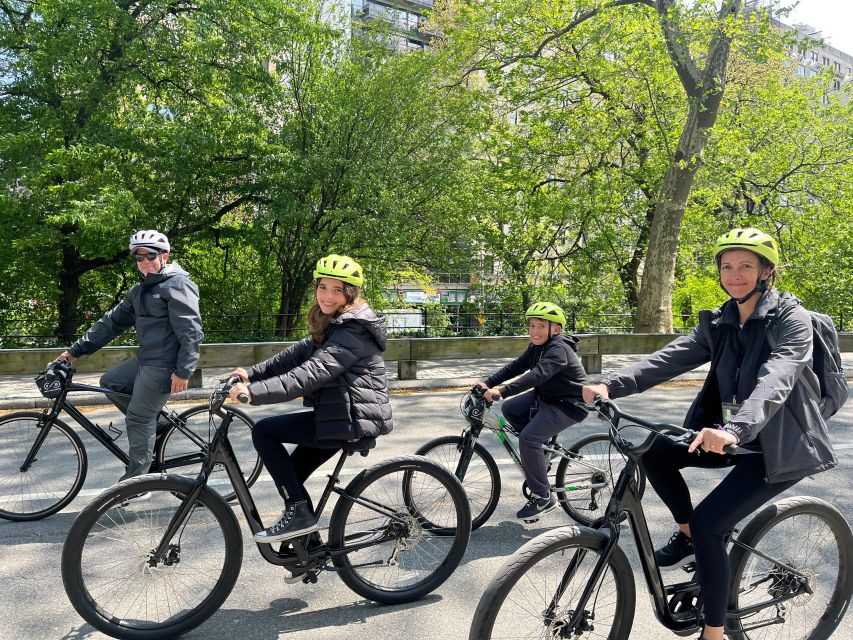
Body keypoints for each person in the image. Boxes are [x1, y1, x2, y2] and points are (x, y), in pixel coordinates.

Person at [582, 228, 837, 640]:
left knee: (710, 526)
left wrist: (735, 428)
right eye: (727, 266)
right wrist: (611, 384)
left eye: (745, 267)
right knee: (653, 451)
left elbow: (778, 378)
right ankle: (687, 537)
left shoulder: (792, 321)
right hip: (730, 433)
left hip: (780, 447)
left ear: (766, 271)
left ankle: (713, 634)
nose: (734, 275)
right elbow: (670, 357)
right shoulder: (720, 321)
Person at [228, 253, 393, 543]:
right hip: (336, 416)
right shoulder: (333, 322)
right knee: (291, 477)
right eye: (322, 287)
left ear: (349, 294)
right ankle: (308, 545)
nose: (327, 296)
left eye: (337, 289)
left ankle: (302, 521)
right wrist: (250, 374)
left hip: (352, 420)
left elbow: (309, 374)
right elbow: (294, 356)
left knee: (265, 431)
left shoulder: (353, 330)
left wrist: (252, 393)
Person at [59, 229, 203, 482]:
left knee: (138, 417)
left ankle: (138, 481)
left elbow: (191, 331)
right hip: (146, 360)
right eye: (139, 257)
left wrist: (184, 371)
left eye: (150, 255)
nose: (145, 261)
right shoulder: (139, 291)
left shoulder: (178, 284)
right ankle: (156, 426)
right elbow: (110, 323)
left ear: (165, 256)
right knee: (110, 383)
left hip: (164, 365)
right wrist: (73, 353)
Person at [479, 302, 589, 520]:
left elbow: (538, 375)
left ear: (555, 329)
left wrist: (503, 390)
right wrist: (486, 382)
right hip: (545, 398)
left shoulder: (559, 348)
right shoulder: (536, 347)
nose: (535, 331)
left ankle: (543, 496)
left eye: (541, 326)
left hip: (569, 404)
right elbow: (516, 367)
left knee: (528, 439)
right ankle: (539, 452)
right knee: (510, 409)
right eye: (531, 326)